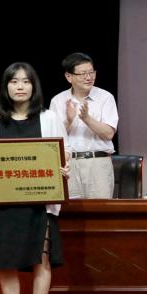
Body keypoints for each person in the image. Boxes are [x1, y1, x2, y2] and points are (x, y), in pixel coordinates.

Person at [0, 62, 69, 294]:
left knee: (40, 259)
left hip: (39, 200)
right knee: (6, 261)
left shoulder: (48, 117)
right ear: (6, 87)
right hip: (6, 200)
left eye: (25, 81)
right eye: (14, 81)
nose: (20, 87)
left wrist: (63, 167)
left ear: (34, 86)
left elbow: (63, 151)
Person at [49, 53, 118, 199]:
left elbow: (109, 134)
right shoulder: (58, 101)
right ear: (69, 77)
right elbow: (53, 140)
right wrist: (68, 121)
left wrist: (87, 118)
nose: (89, 77)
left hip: (98, 163)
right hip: (68, 165)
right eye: (83, 74)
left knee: (99, 210)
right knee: (70, 210)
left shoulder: (106, 97)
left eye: (91, 72)